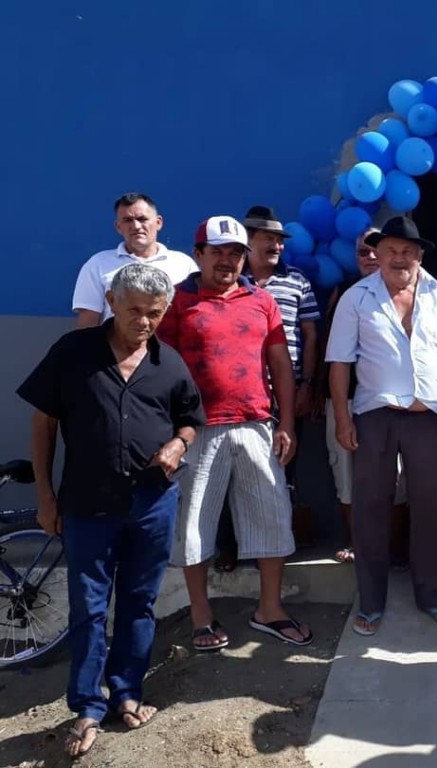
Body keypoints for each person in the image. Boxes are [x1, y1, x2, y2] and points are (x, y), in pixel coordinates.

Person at [18, 264, 204, 758]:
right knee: (89, 606)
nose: (144, 322)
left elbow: (191, 420)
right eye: (134, 310)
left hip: (152, 503)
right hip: (87, 504)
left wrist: (178, 445)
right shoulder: (73, 352)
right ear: (112, 302)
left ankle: (127, 692)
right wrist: (45, 495)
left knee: (140, 602)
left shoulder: (169, 362)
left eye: (154, 313)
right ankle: (86, 705)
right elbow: (43, 424)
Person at [158, 215, 311, 650]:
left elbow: (280, 365)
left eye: (235, 253)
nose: (227, 260)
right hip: (197, 431)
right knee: (194, 525)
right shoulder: (177, 301)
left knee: (272, 518)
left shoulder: (261, 300)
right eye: (217, 251)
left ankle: (270, 610)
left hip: (256, 424)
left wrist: (285, 423)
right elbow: (160, 367)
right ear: (199, 254)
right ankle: (201, 616)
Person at [326, 216, 437, 636]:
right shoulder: (356, 297)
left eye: (408, 251)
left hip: (430, 415)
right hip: (375, 413)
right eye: (390, 250)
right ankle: (371, 601)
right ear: (378, 253)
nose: (399, 258)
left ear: (420, 255)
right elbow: (339, 363)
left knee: (435, 508)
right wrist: (342, 418)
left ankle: (435, 596)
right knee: (370, 506)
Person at [214, 206, 321, 571]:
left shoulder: (298, 280)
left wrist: (307, 385)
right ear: (248, 242)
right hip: (239, 392)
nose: (276, 245)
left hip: (286, 393)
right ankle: (229, 546)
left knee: (279, 472)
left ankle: (270, 550)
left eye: (279, 240)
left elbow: (310, 335)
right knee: (230, 468)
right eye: (268, 238)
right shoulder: (230, 281)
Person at [318, 228, 409, 565]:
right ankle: (358, 542)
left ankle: (392, 546)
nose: (370, 257)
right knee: (345, 472)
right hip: (345, 399)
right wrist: (321, 392)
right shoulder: (343, 292)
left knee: (396, 475)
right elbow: (329, 348)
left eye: (376, 251)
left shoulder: (408, 293)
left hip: (391, 401)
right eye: (362, 252)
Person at [72, 192, 198, 327]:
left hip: (169, 340)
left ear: (158, 222)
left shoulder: (184, 264)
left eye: (142, 219)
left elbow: (196, 315)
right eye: (127, 220)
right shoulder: (98, 264)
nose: (136, 226)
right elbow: (88, 322)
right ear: (118, 227)